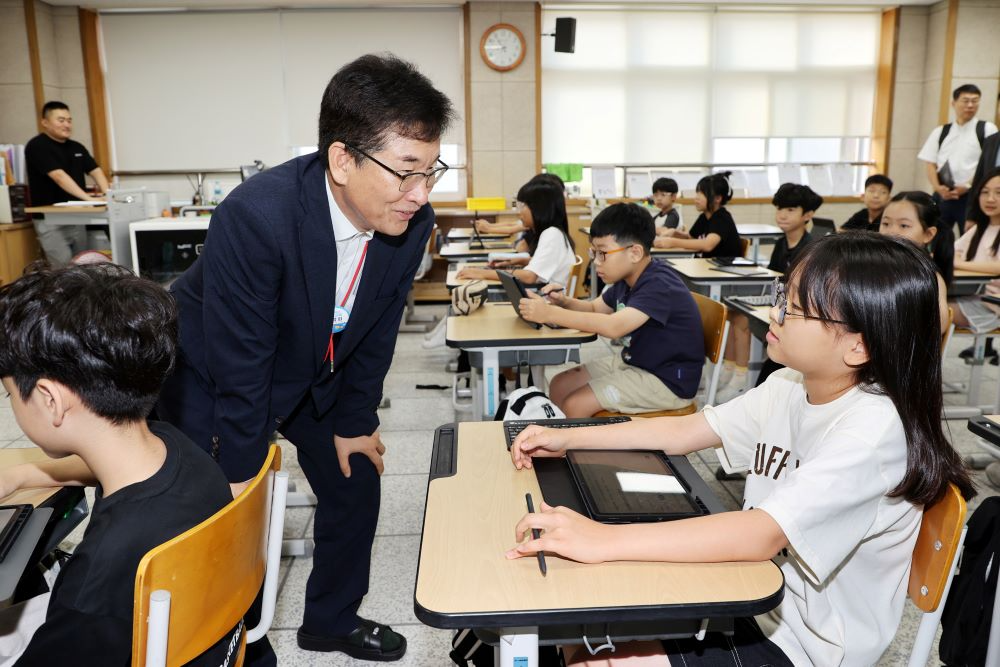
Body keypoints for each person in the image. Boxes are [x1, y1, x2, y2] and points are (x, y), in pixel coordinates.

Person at [508, 233, 975, 666]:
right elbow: (685, 432)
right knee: (571, 617)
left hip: (801, 644)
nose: (775, 314)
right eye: (781, 296)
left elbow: (761, 535)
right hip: (744, 594)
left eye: (795, 309)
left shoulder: (873, 433)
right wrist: (569, 435)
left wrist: (601, 540)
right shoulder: (790, 383)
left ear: (858, 347)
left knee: (597, 651)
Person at [155, 54, 455, 662]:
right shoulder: (258, 216)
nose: (420, 193)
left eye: (431, 172)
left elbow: (378, 329)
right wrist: (241, 467)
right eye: (406, 172)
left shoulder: (409, 221)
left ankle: (331, 620)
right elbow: (243, 361)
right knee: (220, 512)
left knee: (356, 477)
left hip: (313, 362)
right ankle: (234, 640)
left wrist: (354, 421)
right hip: (212, 372)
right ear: (342, 159)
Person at [0, 264, 234, 665]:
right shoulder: (175, 446)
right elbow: (102, 465)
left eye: (10, 396)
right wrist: (25, 474)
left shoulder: (94, 585)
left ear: (50, 399)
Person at [518, 203, 703, 417]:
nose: (596, 262)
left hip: (667, 381)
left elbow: (614, 327)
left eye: (602, 253)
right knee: (560, 384)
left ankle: (575, 438)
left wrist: (549, 313)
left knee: (575, 405)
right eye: (594, 253)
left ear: (635, 253)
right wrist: (563, 302)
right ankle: (565, 435)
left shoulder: (659, 284)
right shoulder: (627, 278)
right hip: (636, 362)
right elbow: (595, 308)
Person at [716, 183, 821, 402]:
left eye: (790, 210)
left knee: (742, 320)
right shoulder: (781, 243)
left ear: (808, 215)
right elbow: (774, 280)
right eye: (779, 208)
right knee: (734, 313)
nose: (782, 215)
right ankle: (731, 370)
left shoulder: (812, 249)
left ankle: (740, 380)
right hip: (776, 308)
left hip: (794, 316)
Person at [24, 101, 111, 267]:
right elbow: (59, 176)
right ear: (45, 122)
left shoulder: (76, 147)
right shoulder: (37, 146)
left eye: (69, 120)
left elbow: (96, 171)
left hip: (77, 216)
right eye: (61, 120)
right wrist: (87, 198)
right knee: (63, 267)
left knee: (84, 264)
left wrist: (108, 195)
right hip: (49, 219)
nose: (67, 124)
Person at [456, 179, 576, 287]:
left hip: (548, 300)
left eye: (524, 206)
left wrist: (483, 273)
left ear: (539, 208)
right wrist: (521, 260)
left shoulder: (552, 234)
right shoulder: (553, 233)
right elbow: (545, 265)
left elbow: (529, 277)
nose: (520, 212)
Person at [918, 84, 998, 235]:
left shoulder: (987, 129)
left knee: (970, 236)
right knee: (935, 235)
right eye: (965, 100)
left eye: (975, 101)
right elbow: (930, 162)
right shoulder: (941, 131)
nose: (970, 105)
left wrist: (967, 186)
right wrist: (938, 188)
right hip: (943, 195)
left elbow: (987, 165)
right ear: (953, 103)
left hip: (971, 196)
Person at [880, 191, 953, 332]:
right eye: (886, 223)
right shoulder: (877, 266)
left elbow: (938, 327)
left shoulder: (929, 277)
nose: (890, 232)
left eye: (904, 225)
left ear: (928, 234)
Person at [951, 168, 1000, 360]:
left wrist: (960, 264)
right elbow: (952, 252)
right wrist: (956, 260)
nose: (990, 199)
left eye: (998, 193)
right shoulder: (980, 228)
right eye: (985, 192)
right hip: (973, 295)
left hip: (993, 304)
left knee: (934, 311)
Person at [653, 172, 741, 258]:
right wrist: (675, 233)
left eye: (702, 193)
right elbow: (690, 237)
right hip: (706, 263)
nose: (696, 197)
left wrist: (673, 242)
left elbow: (707, 245)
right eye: (697, 192)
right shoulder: (704, 217)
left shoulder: (722, 218)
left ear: (717, 198)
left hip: (724, 266)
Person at [474, 172, 565, 237]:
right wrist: (489, 225)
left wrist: (488, 228)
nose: (521, 211)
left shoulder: (544, 225)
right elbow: (511, 224)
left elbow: (511, 230)